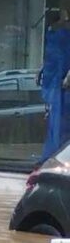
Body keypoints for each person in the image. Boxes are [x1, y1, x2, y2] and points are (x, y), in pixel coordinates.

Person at [41, 10, 70, 161]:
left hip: (60, 90)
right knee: (57, 127)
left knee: (60, 127)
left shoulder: (59, 37)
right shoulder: (56, 37)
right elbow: (51, 61)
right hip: (57, 89)